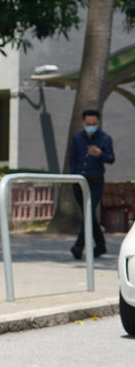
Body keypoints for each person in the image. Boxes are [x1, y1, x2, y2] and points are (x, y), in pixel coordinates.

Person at [68, 108, 116, 258]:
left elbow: (111, 158)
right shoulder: (77, 138)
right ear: (83, 122)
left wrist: (100, 154)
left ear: (98, 122)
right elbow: (72, 158)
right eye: (88, 124)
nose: (91, 126)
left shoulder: (105, 138)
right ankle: (101, 246)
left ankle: (78, 246)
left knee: (89, 212)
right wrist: (73, 176)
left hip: (95, 181)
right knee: (88, 214)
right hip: (79, 180)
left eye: (94, 124)